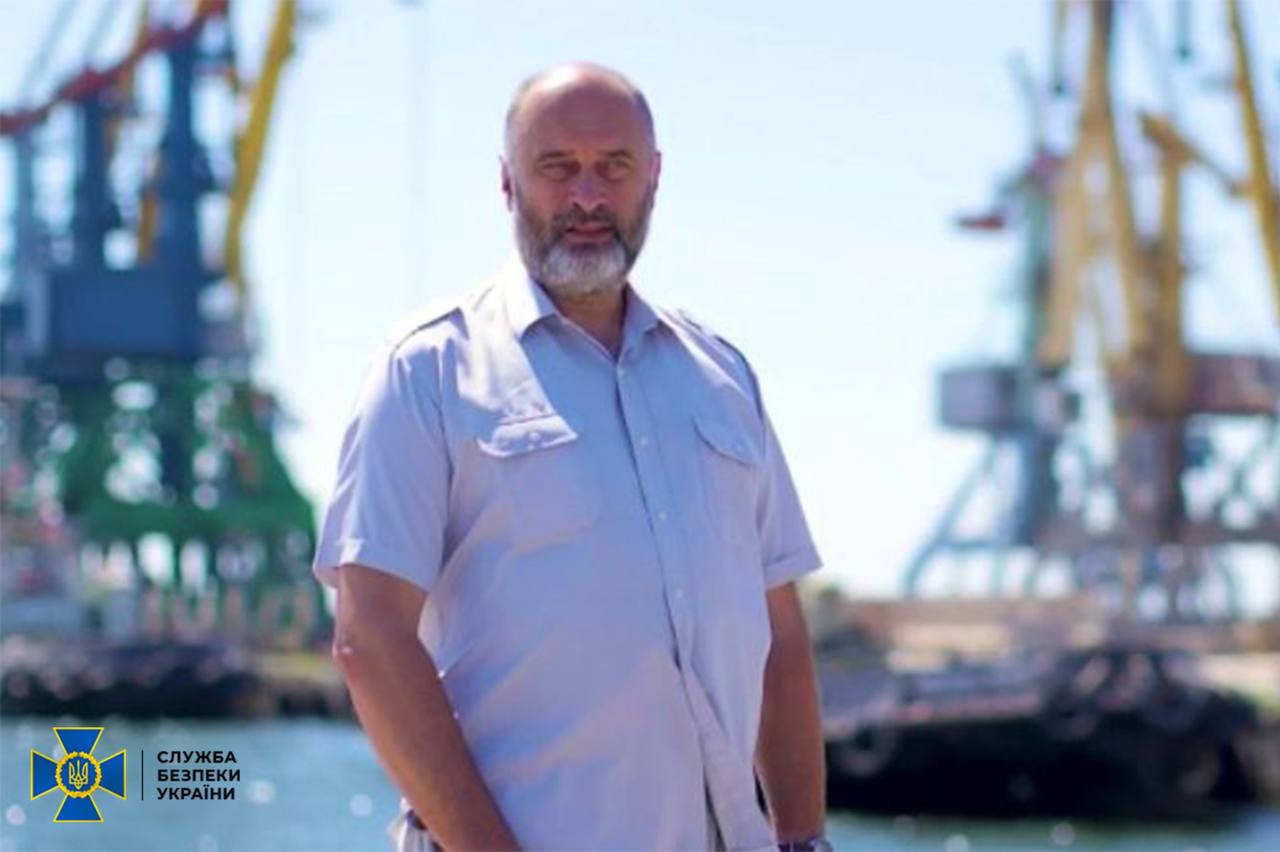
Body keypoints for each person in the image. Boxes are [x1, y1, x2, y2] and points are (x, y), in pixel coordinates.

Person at [313, 62, 829, 852]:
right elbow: (371, 639)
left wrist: (803, 839)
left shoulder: (724, 377)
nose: (588, 197)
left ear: (653, 179)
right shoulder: (427, 371)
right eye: (558, 167)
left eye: (614, 167)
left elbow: (778, 634)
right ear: (507, 183)